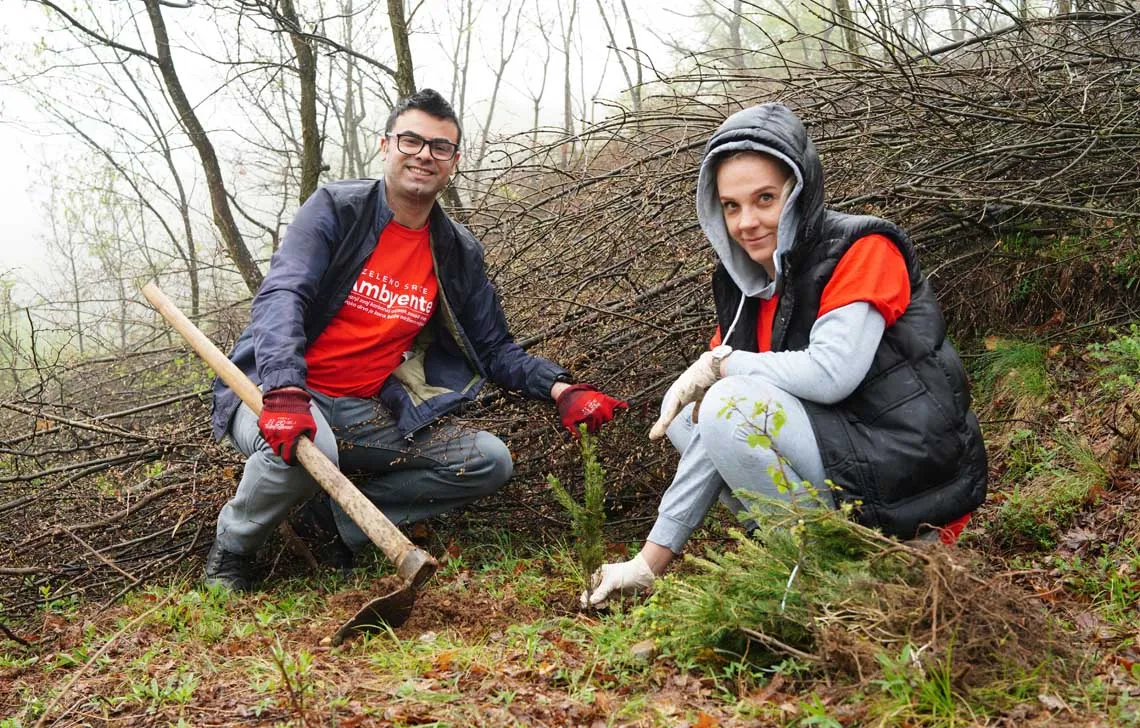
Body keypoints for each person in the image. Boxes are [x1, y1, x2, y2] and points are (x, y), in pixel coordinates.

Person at [205, 88, 626, 592]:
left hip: (365, 409)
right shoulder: (336, 210)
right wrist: (284, 390)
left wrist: (561, 388)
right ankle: (231, 550)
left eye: (440, 147)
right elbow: (283, 294)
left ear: (454, 162)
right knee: (303, 441)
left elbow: (493, 348)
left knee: (488, 460)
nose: (424, 154)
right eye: (411, 140)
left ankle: (336, 525)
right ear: (386, 146)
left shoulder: (456, 251)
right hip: (274, 394)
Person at [583, 103, 987, 607]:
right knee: (690, 416)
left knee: (726, 403)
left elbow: (831, 374)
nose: (747, 222)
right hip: (844, 458)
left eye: (765, 199)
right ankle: (817, 560)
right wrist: (649, 561)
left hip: (909, 470)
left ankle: (825, 580)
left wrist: (721, 365)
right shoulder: (746, 284)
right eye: (730, 206)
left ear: (800, 191)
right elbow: (708, 421)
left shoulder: (862, 247)